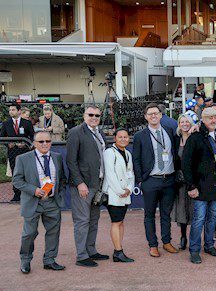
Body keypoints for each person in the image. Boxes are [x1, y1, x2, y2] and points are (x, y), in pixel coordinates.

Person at [13, 131, 66, 273]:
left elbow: (62, 179)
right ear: (34, 143)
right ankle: (25, 260)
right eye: (41, 141)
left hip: (52, 203)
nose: (45, 144)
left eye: (48, 141)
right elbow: (17, 180)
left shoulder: (57, 157)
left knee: (53, 232)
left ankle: (49, 260)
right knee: (29, 233)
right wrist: (34, 190)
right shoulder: (23, 158)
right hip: (32, 202)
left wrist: (58, 194)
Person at [133, 103, 180, 258]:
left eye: (156, 113)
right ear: (146, 117)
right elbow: (136, 159)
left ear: (161, 115)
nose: (153, 116)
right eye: (150, 114)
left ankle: (166, 242)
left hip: (169, 180)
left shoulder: (170, 132)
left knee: (166, 214)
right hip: (151, 181)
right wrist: (141, 180)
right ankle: (153, 245)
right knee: (150, 215)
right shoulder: (140, 136)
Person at [182, 107, 216, 264]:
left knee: (212, 217)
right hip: (200, 186)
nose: (213, 120)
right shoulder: (195, 137)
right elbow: (186, 164)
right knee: (199, 218)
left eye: (215, 117)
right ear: (202, 119)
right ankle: (194, 250)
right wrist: (191, 186)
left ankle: (209, 245)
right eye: (209, 118)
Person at [66, 105, 109, 267]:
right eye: (91, 115)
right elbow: (71, 160)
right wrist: (79, 183)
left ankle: (91, 250)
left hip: (97, 183)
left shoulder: (99, 132)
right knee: (82, 220)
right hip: (83, 185)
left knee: (94, 219)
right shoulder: (76, 132)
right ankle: (82, 255)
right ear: (84, 116)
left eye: (97, 115)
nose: (94, 118)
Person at [102, 128, 135, 263]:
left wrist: (128, 188)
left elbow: (130, 173)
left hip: (125, 193)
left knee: (120, 222)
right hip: (113, 194)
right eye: (120, 137)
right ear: (115, 138)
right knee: (116, 222)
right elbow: (110, 175)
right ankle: (118, 252)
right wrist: (120, 191)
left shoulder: (128, 153)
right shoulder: (109, 153)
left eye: (125, 137)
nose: (123, 139)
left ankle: (118, 249)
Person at [172, 114, 196, 250]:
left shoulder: (195, 137)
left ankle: (193, 237)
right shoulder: (176, 139)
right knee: (181, 209)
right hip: (180, 181)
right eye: (182, 122)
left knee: (194, 210)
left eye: (187, 122)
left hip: (193, 180)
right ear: (179, 124)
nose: (185, 124)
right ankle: (183, 236)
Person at [1, 103, 35, 202]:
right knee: (15, 173)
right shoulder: (6, 123)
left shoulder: (27, 123)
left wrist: (25, 144)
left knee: (26, 173)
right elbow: (2, 137)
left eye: (13, 110)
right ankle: (17, 194)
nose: (11, 111)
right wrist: (8, 144)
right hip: (12, 153)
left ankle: (28, 193)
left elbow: (32, 136)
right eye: (10, 110)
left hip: (25, 152)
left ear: (19, 111)